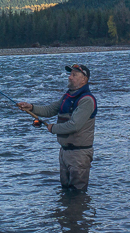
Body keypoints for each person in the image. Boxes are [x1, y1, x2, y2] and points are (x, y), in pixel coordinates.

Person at [17, 64, 96, 192]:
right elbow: (50, 110)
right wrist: (30, 107)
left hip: (79, 154)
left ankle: (78, 211)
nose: (70, 77)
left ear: (84, 80)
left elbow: (74, 125)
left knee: (78, 194)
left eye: (74, 75)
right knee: (65, 192)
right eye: (70, 74)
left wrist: (53, 128)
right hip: (64, 152)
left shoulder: (87, 100)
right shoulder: (68, 96)